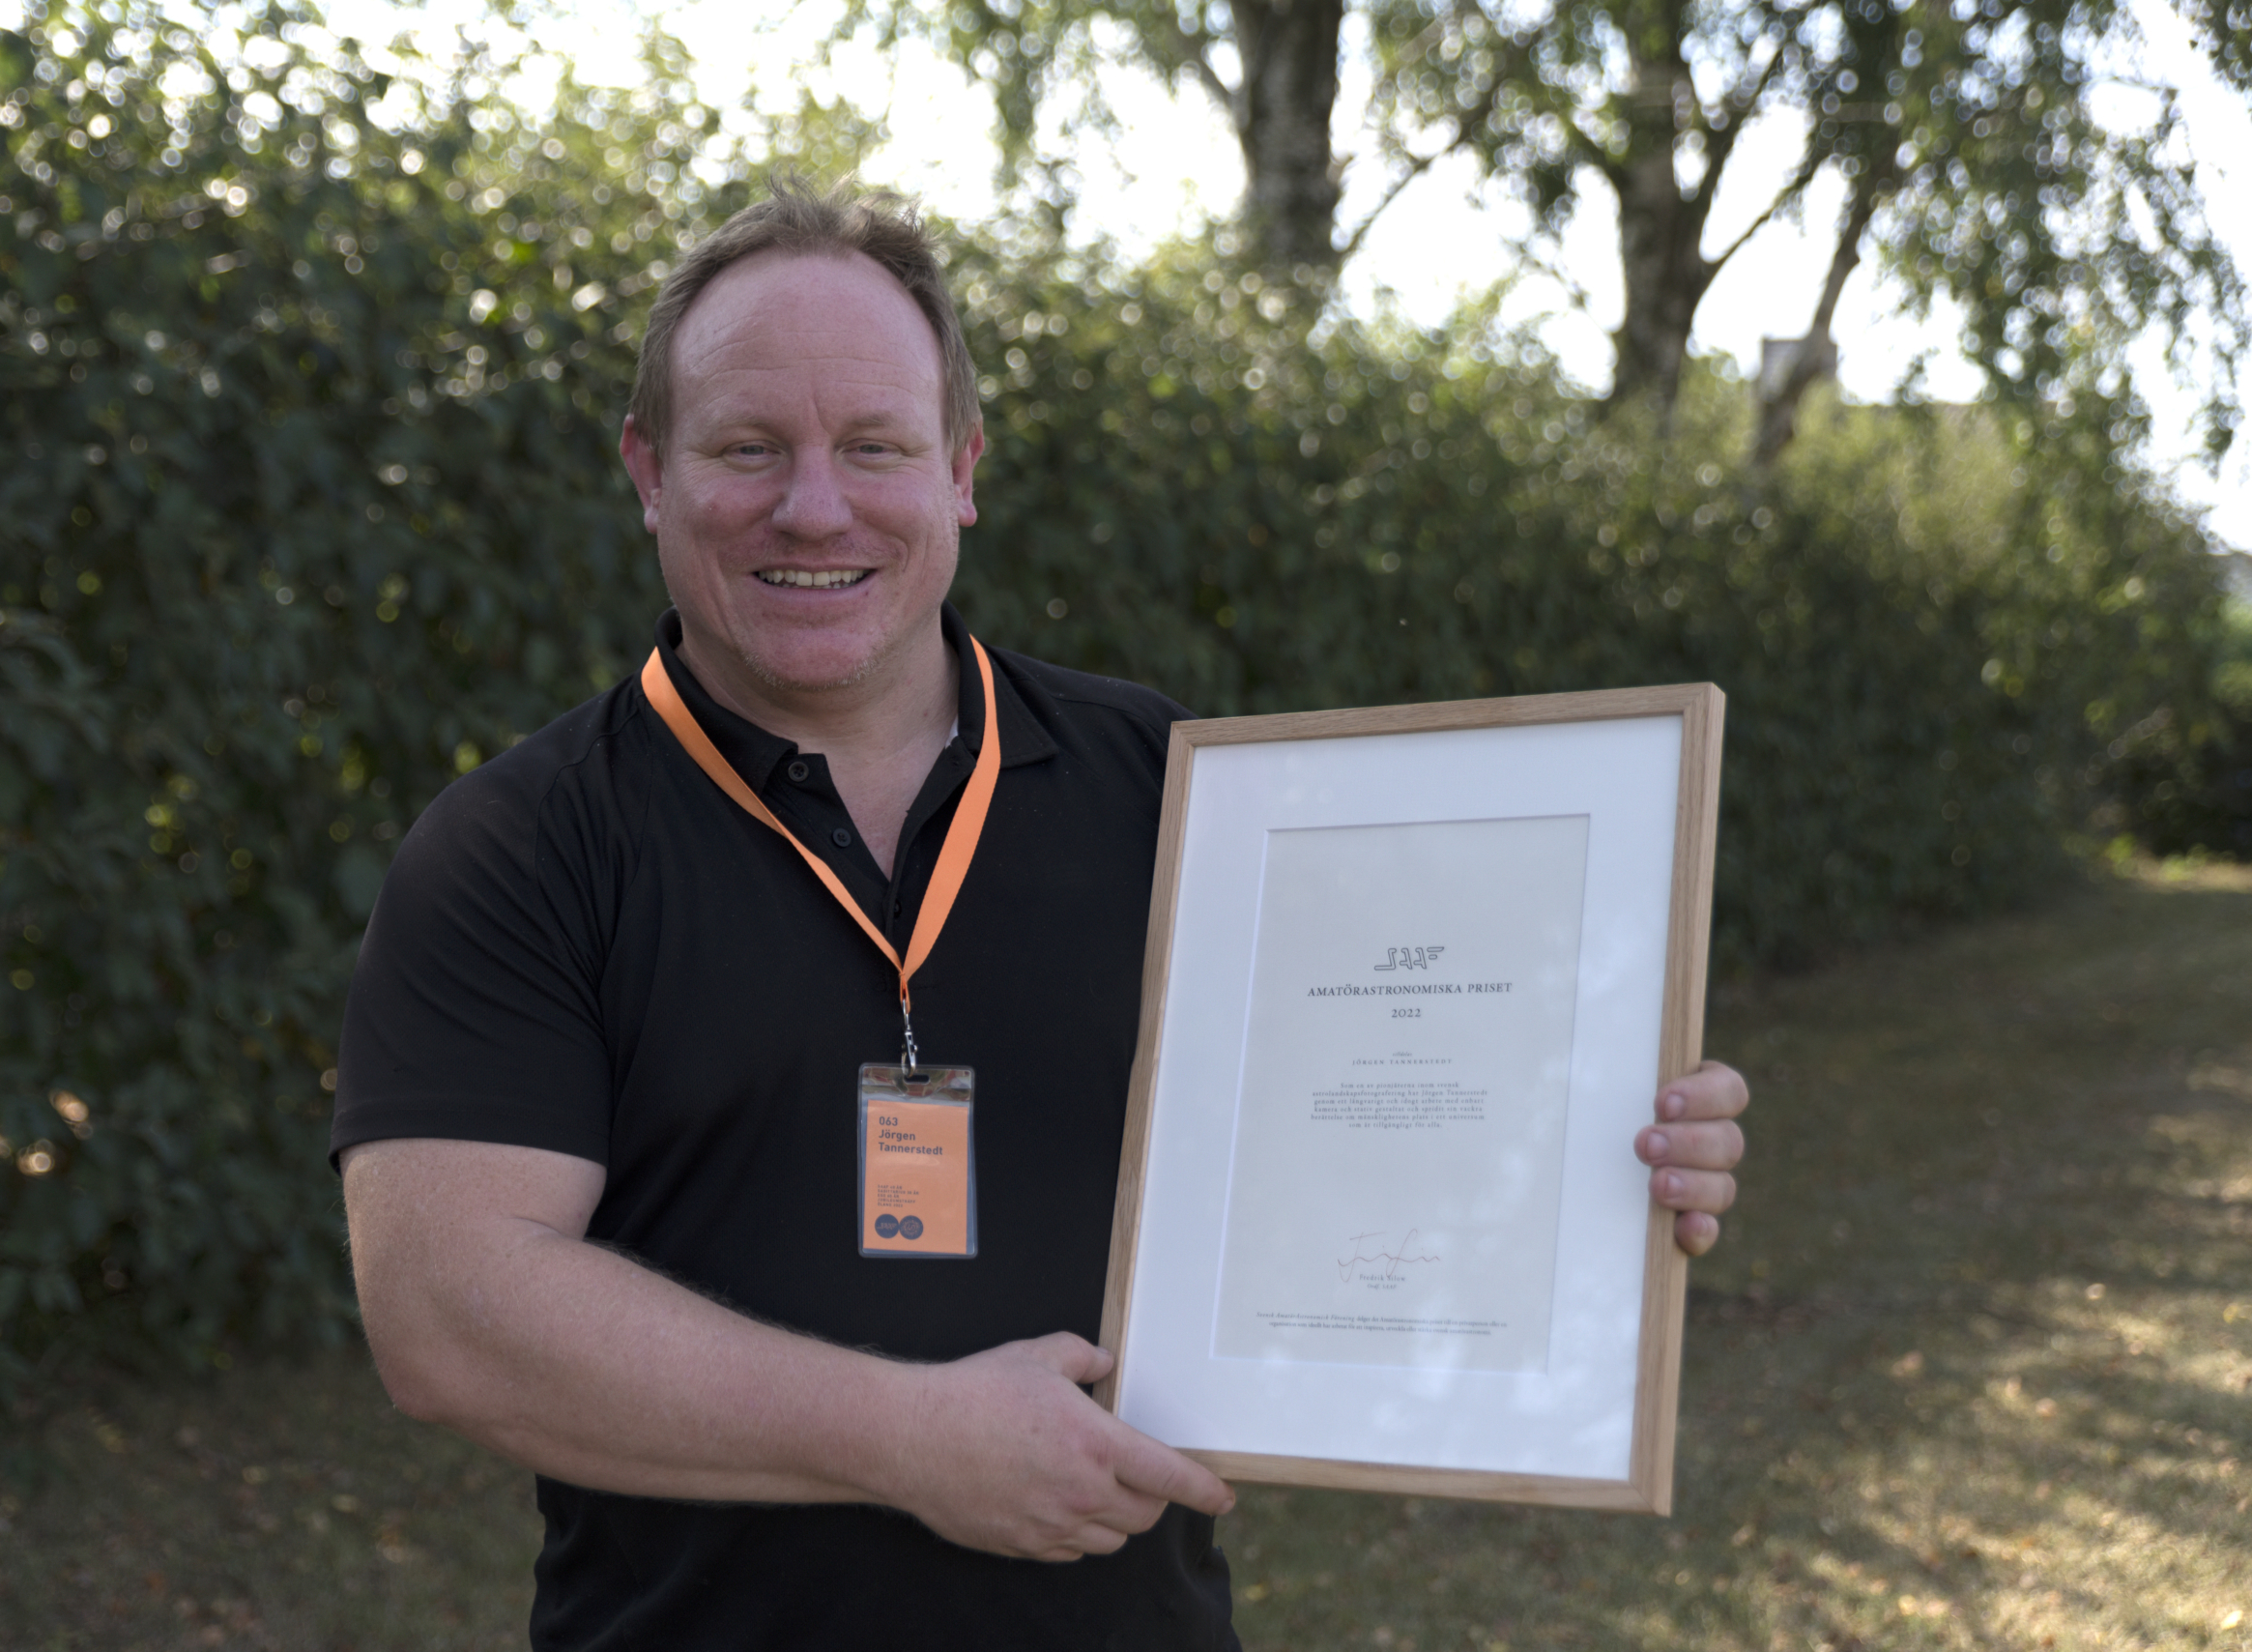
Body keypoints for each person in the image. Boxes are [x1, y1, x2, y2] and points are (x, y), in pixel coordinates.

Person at [332, 183, 1749, 1651]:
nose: (813, 506)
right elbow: (447, 1314)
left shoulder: (1179, 790)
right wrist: (906, 1437)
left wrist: (1603, 1147)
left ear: (960, 470)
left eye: (875, 445)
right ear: (650, 468)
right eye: (748, 447)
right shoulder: (519, 850)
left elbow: (1386, 1099)